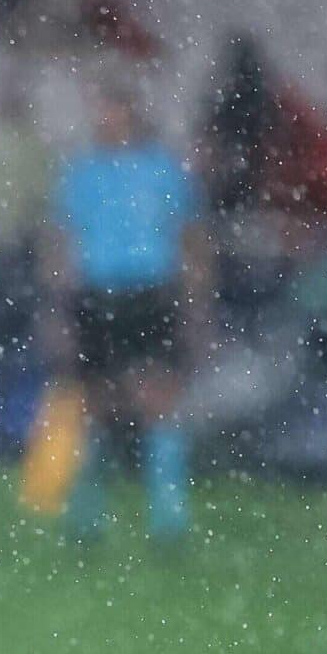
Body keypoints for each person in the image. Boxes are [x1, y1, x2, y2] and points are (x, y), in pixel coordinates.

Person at [40, 87, 211, 549]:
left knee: (159, 401)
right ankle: (85, 518)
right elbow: (60, 242)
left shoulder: (164, 171)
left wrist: (194, 305)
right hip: (96, 296)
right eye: (102, 111)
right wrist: (58, 307)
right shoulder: (81, 173)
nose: (107, 120)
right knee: (94, 403)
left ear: (133, 116)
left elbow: (192, 240)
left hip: (151, 294)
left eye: (114, 110)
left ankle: (168, 518)